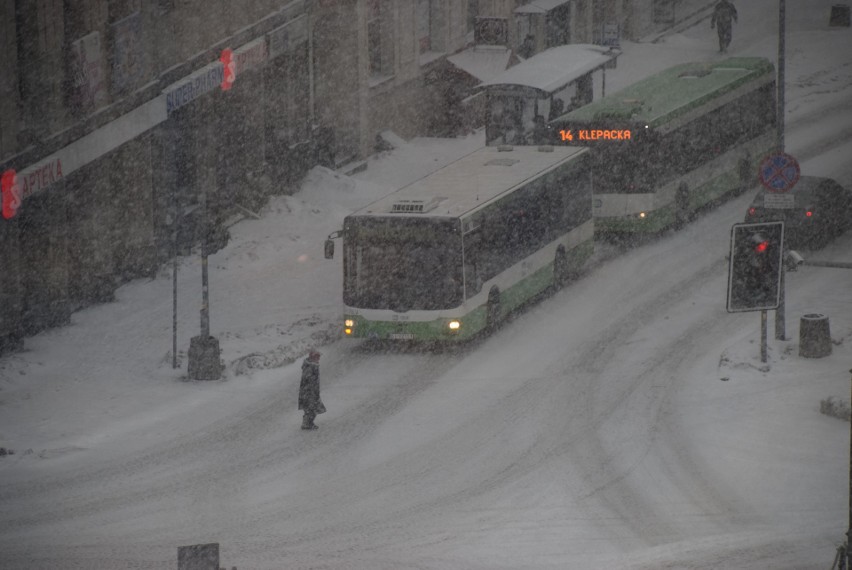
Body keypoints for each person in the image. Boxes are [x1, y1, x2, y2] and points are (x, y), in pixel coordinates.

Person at [298, 349, 325, 430]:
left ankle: (308, 423)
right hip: (309, 392)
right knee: (311, 408)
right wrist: (312, 390)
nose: (319, 359)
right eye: (317, 357)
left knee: (312, 408)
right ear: (313, 357)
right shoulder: (310, 366)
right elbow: (309, 379)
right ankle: (307, 424)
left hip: (311, 391)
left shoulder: (313, 365)